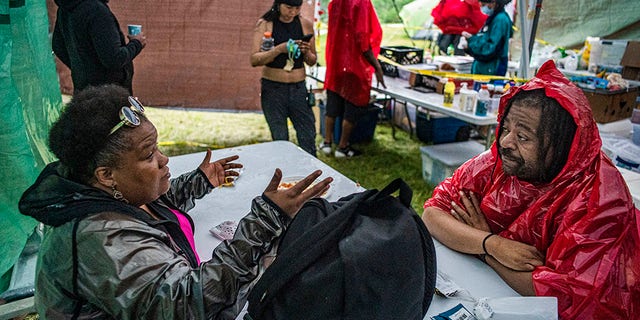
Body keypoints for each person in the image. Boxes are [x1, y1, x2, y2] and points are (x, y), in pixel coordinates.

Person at [18, 84, 332, 319]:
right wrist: (265, 221)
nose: (164, 159)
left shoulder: (102, 193)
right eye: (148, 154)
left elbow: (153, 205)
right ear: (106, 175)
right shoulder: (99, 239)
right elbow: (186, 304)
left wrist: (199, 182)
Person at [421, 60, 639, 319]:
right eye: (506, 127)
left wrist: (483, 250)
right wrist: (492, 244)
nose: (505, 141)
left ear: (560, 146)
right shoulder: (499, 162)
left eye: (523, 137)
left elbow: (562, 297)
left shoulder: (598, 201)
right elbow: (433, 214)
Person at [318, 0, 386, 158]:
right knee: (353, 106)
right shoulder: (361, 2)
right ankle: (343, 147)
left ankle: (327, 143)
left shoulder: (335, 2)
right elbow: (362, 39)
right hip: (355, 65)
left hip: (336, 62)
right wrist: (377, 67)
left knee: (332, 104)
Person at [250, 0, 318, 156]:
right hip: (274, 88)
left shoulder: (305, 24)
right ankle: (284, 172)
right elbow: (254, 59)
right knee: (280, 138)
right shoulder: (265, 24)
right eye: (288, 8)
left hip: (298, 88)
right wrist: (279, 50)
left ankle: (312, 171)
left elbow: (312, 60)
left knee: (307, 134)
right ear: (279, 4)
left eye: (297, 8)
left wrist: (306, 51)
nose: (292, 12)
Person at [52, 0, 147, 94]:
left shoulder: (65, 9)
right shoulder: (97, 11)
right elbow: (114, 58)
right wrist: (136, 43)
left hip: (84, 93)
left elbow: (58, 47)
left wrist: (83, 69)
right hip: (109, 96)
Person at [459, 0, 512, 76]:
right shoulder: (494, 18)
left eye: (483, 4)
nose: (482, 7)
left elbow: (490, 48)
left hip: (491, 69)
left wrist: (470, 46)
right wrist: (472, 38)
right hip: (485, 68)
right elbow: (486, 38)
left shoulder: (500, 20)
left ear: (493, 3)